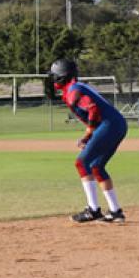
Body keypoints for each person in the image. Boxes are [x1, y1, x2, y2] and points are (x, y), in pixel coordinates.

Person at [48, 59, 127, 223]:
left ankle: (93, 210)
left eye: (55, 76)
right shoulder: (76, 87)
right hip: (116, 124)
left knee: (81, 162)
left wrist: (89, 133)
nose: (53, 79)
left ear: (62, 77)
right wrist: (89, 134)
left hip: (109, 125)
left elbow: (92, 108)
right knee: (96, 166)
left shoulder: (73, 90)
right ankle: (115, 212)